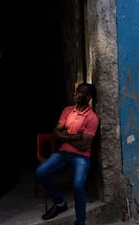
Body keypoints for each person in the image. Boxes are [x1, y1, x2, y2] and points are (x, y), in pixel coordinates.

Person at [36, 82, 99, 225]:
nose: (75, 94)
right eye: (76, 91)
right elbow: (56, 132)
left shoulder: (92, 118)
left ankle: (81, 221)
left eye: (79, 93)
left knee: (77, 185)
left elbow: (84, 145)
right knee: (41, 172)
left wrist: (65, 135)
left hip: (81, 157)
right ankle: (59, 203)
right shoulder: (67, 111)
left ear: (88, 97)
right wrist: (75, 136)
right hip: (63, 153)